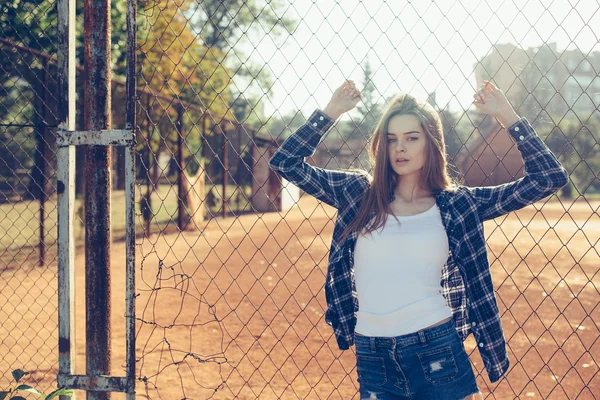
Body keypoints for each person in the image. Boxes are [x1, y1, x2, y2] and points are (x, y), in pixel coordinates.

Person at [268, 80, 568, 399]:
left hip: (436, 347)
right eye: (392, 138)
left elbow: (548, 178)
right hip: (373, 354)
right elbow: (285, 163)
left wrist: (507, 116)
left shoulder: (458, 204)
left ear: (431, 144)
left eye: (412, 138)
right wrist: (331, 112)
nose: (400, 148)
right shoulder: (358, 195)